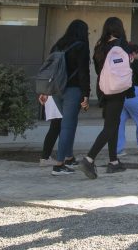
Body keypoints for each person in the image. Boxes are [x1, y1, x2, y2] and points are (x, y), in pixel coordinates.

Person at [79, 16, 134, 179]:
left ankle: (114, 162)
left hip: (104, 89)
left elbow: (97, 69)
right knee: (111, 126)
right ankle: (89, 159)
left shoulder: (100, 46)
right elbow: (128, 66)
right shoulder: (122, 44)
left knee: (113, 124)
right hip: (118, 90)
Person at [44, 19, 91, 176]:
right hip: (73, 90)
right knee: (68, 126)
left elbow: (49, 69)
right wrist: (86, 93)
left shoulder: (58, 45)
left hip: (56, 90)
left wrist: (45, 91)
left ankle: (69, 158)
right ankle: (59, 165)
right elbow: (84, 72)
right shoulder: (81, 46)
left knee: (68, 124)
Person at [38, 95, 62, 166]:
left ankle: (45, 157)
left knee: (56, 127)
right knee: (56, 127)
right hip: (56, 98)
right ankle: (45, 157)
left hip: (52, 97)